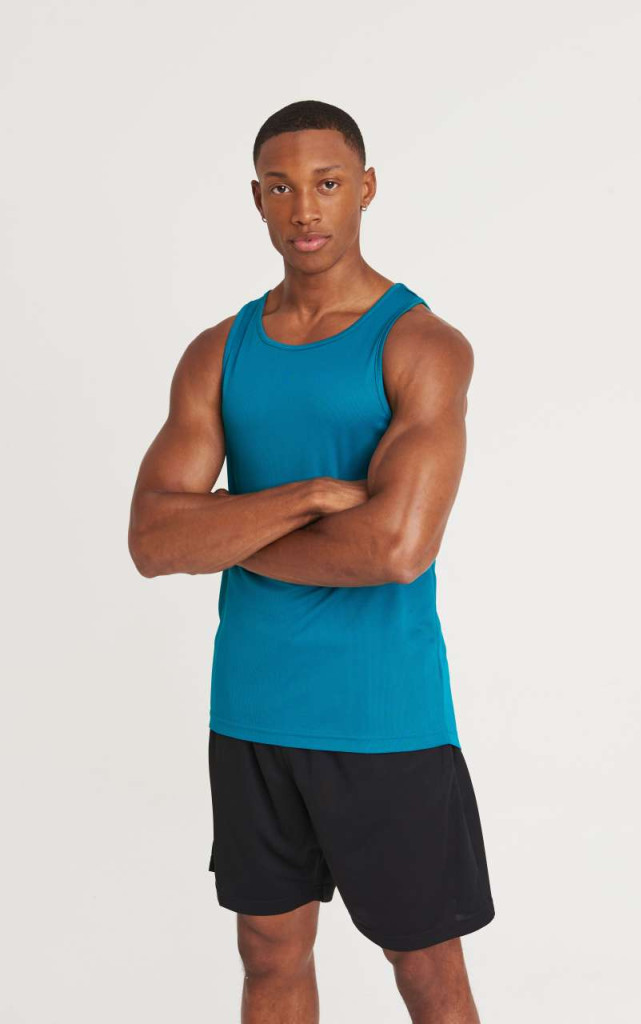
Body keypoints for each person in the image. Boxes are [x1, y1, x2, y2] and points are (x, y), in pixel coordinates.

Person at [128, 99, 495, 1024]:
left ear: (364, 188)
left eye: (326, 184)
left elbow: (394, 549)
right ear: (256, 199)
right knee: (268, 953)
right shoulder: (218, 352)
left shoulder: (421, 345)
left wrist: (224, 530)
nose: (305, 209)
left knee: (425, 968)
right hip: (251, 707)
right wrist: (306, 496)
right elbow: (152, 542)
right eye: (281, 187)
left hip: (383, 715)